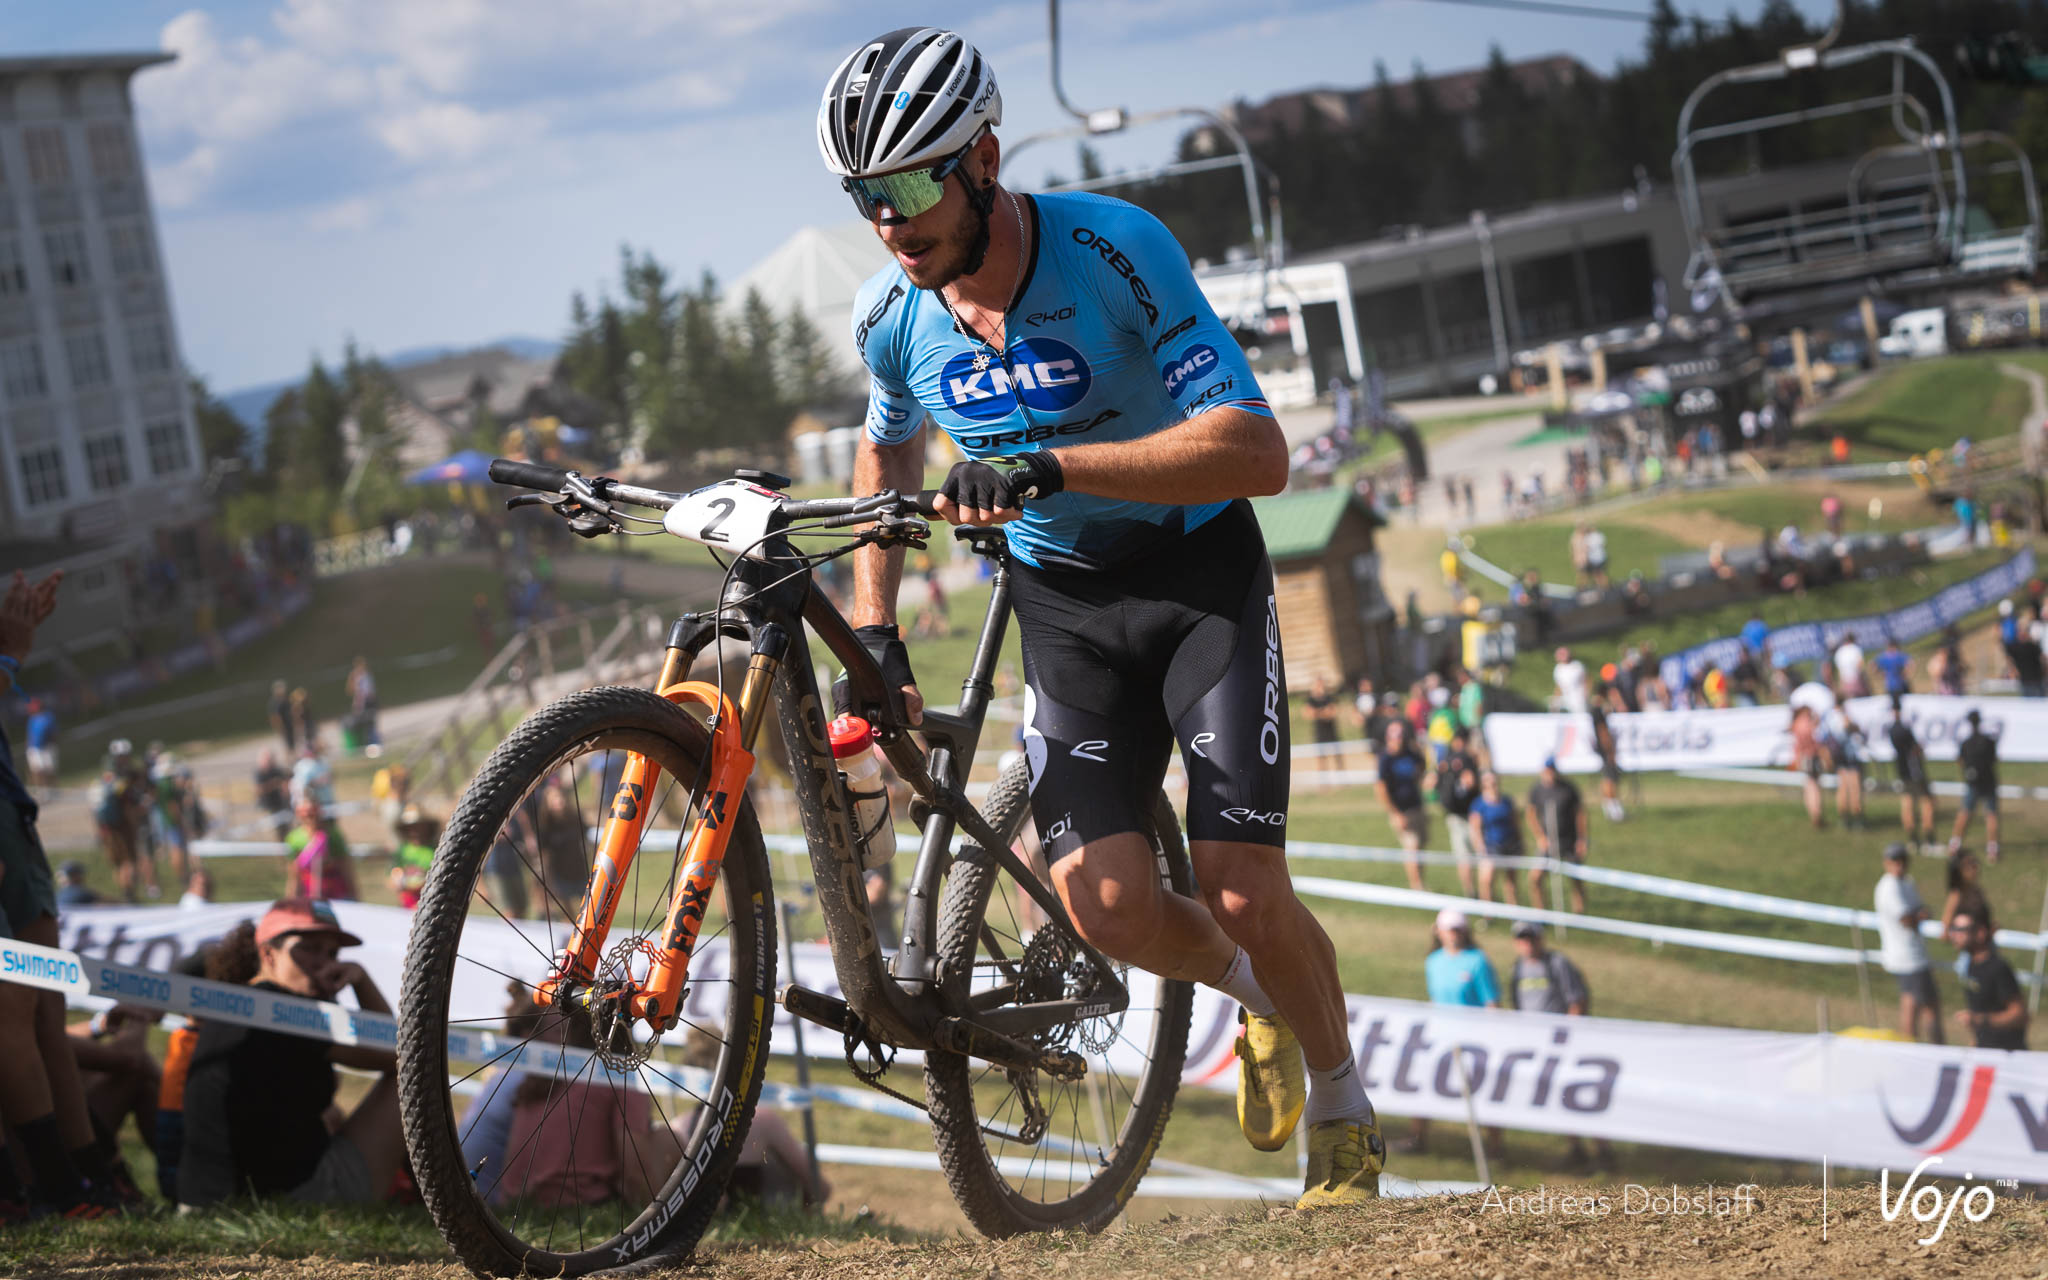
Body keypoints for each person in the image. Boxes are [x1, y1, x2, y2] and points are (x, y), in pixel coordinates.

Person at [824, 27, 1378, 1205]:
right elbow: (884, 449)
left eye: (914, 184)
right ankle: (1257, 991)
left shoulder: (1113, 248)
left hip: (1193, 579)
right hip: (1064, 606)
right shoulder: (891, 312)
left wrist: (1052, 467)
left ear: (979, 158)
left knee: (1237, 877)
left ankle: (1342, 1099)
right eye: (865, 195)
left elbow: (1257, 450)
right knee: (1104, 904)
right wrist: (873, 625)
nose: (891, 219)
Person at [0, 567, 124, 1216]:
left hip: (10, 813)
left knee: (41, 1000)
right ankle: (54, 1185)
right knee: (12, 1002)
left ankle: (88, 1177)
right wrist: (10, 652)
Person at [178, 899, 407, 1206]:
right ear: (268, 954)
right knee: (411, 1082)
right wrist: (362, 981)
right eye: (308, 949)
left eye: (332, 953)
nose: (324, 963)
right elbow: (401, 1056)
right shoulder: (286, 1010)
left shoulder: (245, 1003)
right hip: (280, 1198)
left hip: (204, 1200)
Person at [1506, 922, 1609, 1170]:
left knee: (1580, 1095)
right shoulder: (1517, 969)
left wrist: (1567, 1034)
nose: (1527, 944)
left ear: (1540, 939)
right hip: (1538, 1046)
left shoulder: (1558, 963)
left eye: (1531, 938)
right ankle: (1576, 1148)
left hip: (1565, 1043)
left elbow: (1577, 1000)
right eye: (1522, 939)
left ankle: (1603, 1150)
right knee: (1559, 1097)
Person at [1403, 909, 1501, 1155]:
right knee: (1424, 1086)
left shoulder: (1477, 960)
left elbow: (1491, 1003)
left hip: (1474, 1039)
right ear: (1438, 931)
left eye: (1457, 929)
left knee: (1482, 1092)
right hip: (1441, 1036)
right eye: (1448, 929)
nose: (1453, 935)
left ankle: (1495, 1146)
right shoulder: (1433, 961)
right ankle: (1417, 1138)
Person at [1874, 843, 1942, 1044]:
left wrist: (1919, 915)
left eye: (1902, 860)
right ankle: (1910, 1046)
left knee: (1929, 1004)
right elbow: (1906, 919)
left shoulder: (1906, 883)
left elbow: (1920, 911)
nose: (1899, 865)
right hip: (1905, 956)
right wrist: (1919, 916)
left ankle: (1933, 1046)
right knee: (1912, 1005)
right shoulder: (1889, 887)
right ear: (1886, 863)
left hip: (1916, 954)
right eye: (1894, 861)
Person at [1949, 911, 2029, 1051]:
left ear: (1980, 933)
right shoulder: (1971, 964)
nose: (1954, 935)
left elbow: (2020, 1014)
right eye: (1953, 929)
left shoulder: (1997, 968)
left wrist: (1981, 1020)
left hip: (2006, 1054)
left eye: (1961, 930)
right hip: (1984, 1050)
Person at [1525, 759, 1588, 916]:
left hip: (1569, 841)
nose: (1550, 773)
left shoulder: (1568, 789)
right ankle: (1541, 911)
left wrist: (1582, 839)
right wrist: (1540, 837)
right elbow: (1531, 814)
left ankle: (1579, 911)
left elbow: (1580, 814)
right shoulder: (1537, 790)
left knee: (1576, 877)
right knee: (1535, 877)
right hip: (1547, 843)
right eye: (1547, 770)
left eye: (1552, 770)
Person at [1375, 719, 1431, 892]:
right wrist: (1395, 814)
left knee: (1420, 847)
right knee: (1412, 848)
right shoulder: (1386, 759)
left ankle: (1420, 881)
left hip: (1416, 807)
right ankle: (1417, 887)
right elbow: (1381, 789)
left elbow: (1421, 769)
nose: (1398, 739)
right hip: (1401, 812)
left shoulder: (1411, 754)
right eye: (1394, 736)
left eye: (1400, 735)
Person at [1435, 728, 1482, 899]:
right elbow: (1471, 783)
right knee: (1473, 856)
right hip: (1468, 815)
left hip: (1456, 815)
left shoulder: (1445, 760)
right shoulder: (1467, 759)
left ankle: (1471, 892)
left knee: (1465, 857)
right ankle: (1475, 893)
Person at [1466, 771, 1525, 907]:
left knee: (1511, 881)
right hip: (1491, 845)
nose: (1492, 784)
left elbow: (1516, 823)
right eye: (1488, 781)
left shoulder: (1507, 801)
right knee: (1487, 879)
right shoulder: (1479, 804)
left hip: (1509, 843)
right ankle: (1488, 912)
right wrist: (1480, 847)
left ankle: (1513, 909)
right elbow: (1475, 828)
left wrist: (1520, 841)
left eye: (1494, 781)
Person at [1949, 709, 2001, 862]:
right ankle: (1992, 849)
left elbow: (1960, 760)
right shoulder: (1988, 741)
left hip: (1973, 783)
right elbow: (1995, 759)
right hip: (1989, 781)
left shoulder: (1966, 742)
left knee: (1965, 812)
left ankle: (1954, 844)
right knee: (1991, 815)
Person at [1886, 700, 1937, 851]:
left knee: (1907, 801)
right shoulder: (1905, 729)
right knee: (1926, 801)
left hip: (1901, 770)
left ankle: (1913, 838)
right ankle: (1929, 837)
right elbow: (1915, 749)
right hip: (1914, 770)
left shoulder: (1892, 730)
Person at [285, 798, 358, 901]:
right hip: (308, 892)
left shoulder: (332, 835)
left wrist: (355, 896)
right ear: (298, 814)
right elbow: (294, 873)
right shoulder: (294, 838)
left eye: (312, 812)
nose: (309, 817)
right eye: (305, 813)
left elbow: (346, 868)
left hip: (335, 892)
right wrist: (290, 899)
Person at [1820, 702, 1867, 831]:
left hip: (1838, 756)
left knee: (1843, 787)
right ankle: (1857, 819)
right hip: (1849, 755)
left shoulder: (1827, 717)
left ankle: (1845, 819)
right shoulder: (1841, 717)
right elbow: (1848, 729)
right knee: (1854, 787)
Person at [1940, 849, 1992, 937]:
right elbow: (1945, 934)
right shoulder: (1956, 896)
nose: (1975, 866)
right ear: (1958, 870)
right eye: (1968, 864)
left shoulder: (1977, 891)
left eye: (1974, 862)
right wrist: (1967, 935)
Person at [1303, 676, 1341, 772]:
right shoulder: (1311, 699)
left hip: (1331, 729)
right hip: (1319, 730)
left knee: (1337, 754)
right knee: (1321, 756)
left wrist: (1317, 713)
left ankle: (1341, 776)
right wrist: (1323, 712)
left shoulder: (1329, 697)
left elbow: (1332, 712)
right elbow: (1308, 714)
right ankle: (1323, 780)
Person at [254, 749, 293, 841]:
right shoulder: (259, 773)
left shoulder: (277, 771)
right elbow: (259, 790)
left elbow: (287, 779)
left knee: (286, 829)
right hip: (268, 807)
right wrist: (274, 784)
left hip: (281, 805)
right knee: (275, 833)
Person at [23, 698, 56, 796]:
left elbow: (53, 732)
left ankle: (53, 790)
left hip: (47, 747)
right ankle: (41, 791)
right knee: (37, 771)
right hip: (34, 748)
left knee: (49, 770)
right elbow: (30, 735)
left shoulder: (48, 717)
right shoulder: (32, 720)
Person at [1551, 646, 1588, 714]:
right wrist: (1555, 699)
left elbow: (1586, 681)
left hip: (1578, 698)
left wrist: (1585, 695)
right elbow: (1559, 686)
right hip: (1565, 698)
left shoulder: (1577, 666)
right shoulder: (1558, 669)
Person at [1832, 631, 1866, 698]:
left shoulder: (1839, 652)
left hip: (1844, 682)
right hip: (1856, 680)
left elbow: (1839, 670)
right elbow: (1860, 665)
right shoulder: (1855, 649)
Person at [267, 679, 295, 756]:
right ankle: (290, 759)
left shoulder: (285, 699)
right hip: (283, 726)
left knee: (292, 743)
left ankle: (293, 757)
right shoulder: (275, 702)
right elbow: (274, 716)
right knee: (287, 744)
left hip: (290, 725)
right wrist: (279, 728)